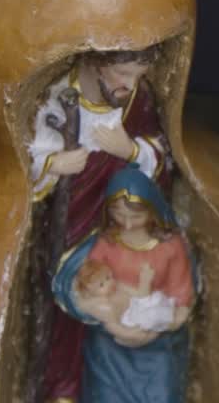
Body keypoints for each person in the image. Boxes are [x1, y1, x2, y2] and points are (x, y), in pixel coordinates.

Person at [28, 46, 172, 403]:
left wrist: (131, 150)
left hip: (121, 225)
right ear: (94, 62)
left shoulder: (136, 101)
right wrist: (54, 165)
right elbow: (26, 159)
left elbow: (162, 158)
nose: (130, 84)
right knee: (74, 309)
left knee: (126, 306)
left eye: (137, 75)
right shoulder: (60, 100)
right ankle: (63, 388)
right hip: (74, 225)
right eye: (123, 74)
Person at [53, 167, 197, 403]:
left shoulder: (171, 247)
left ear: (152, 211)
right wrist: (97, 310)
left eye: (136, 216)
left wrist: (154, 330)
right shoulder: (106, 243)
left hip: (157, 347)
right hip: (109, 349)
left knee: (162, 395)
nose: (127, 225)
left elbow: (182, 300)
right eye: (119, 214)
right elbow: (82, 284)